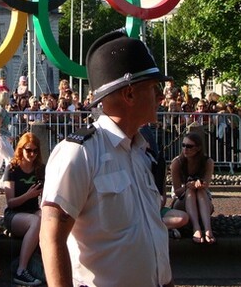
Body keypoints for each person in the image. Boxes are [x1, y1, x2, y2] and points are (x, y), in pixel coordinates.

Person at [40, 30, 173, 287]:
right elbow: (51, 234)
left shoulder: (141, 151)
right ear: (130, 94)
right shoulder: (80, 152)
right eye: (153, 88)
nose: (160, 97)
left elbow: (153, 237)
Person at [3, 133, 45, 286]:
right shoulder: (12, 169)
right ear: (21, 149)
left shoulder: (40, 169)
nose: (32, 154)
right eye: (29, 150)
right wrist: (29, 195)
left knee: (48, 217)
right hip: (14, 215)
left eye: (35, 151)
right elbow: (10, 202)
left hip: (33, 211)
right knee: (36, 220)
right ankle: (21, 270)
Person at [170, 132, 216, 244]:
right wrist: (187, 186)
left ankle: (207, 229)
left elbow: (206, 184)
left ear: (198, 148)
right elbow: (176, 191)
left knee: (199, 190)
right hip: (181, 202)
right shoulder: (177, 163)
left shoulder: (207, 162)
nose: (186, 149)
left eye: (190, 146)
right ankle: (196, 228)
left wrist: (200, 184)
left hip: (202, 200)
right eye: (183, 145)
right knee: (190, 190)